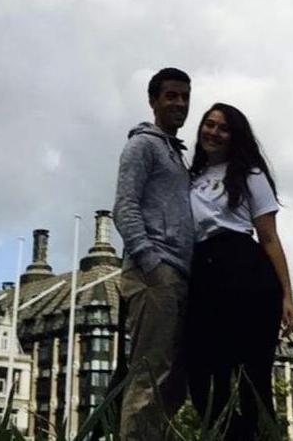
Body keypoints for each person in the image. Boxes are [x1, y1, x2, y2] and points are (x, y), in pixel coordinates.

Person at [187, 102, 293, 439]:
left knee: (253, 377)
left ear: (235, 136)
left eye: (223, 128)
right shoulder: (191, 177)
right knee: (203, 375)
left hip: (244, 270)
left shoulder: (250, 174)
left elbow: (269, 237)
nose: (214, 132)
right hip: (202, 272)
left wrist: (287, 295)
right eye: (209, 124)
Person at [113, 67, 194, 441]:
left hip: (178, 274)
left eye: (185, 97)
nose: (179, 103)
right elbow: (124, 206)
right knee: (149, 374)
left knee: (174, 378)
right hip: (155, 273)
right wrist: (151, 263)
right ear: (153, 101)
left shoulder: (176, 154)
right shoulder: (143, 145)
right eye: (171, 96)